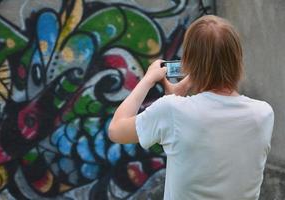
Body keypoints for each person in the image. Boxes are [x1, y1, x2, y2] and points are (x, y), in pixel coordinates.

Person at [108, 15, 274, 200]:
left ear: (188, 63)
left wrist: (148, 79)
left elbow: (116, 130)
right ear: (237, 59)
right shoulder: (263, 114)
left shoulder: (172, 110)